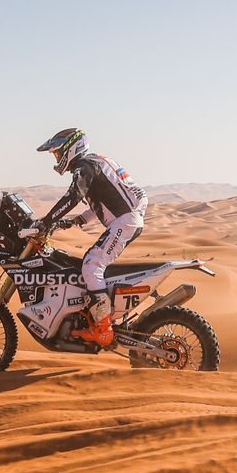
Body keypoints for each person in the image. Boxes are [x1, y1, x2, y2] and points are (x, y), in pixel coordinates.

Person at [36, 127, 147, 346]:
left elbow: (72, 197)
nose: (57, 158)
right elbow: (105, 200)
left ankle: (103, 329)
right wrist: (75, 221)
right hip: (127, 219)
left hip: (125, 222)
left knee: (91, 265)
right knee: (89, 264)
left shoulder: (84, 167)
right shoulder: (95, 162)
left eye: (57, 153)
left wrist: (45, 222)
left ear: (70, 148)